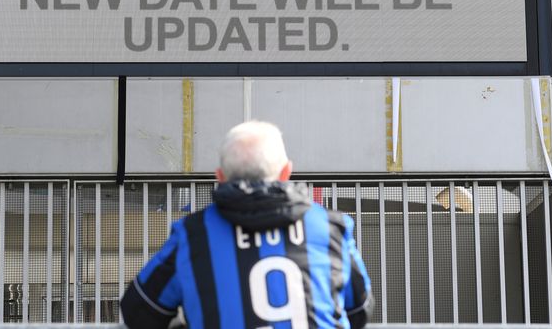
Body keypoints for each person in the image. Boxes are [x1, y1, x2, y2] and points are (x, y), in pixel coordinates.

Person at [120, 121, 373, 329]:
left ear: (220, 177)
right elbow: (360, 310)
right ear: (286, 172)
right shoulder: (331, 228)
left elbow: (139, 312)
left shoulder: (194, 234)